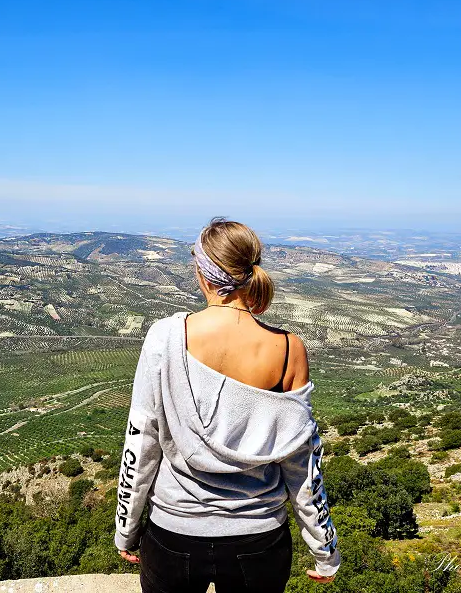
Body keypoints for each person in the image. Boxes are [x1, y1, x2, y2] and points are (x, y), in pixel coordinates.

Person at [113, 218, 339, 593]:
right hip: (259, 538)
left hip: (174, 532)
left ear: (202, 272)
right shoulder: (288, 350)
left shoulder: (165, 338)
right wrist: (323, 548)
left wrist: (127, 528)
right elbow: (302, 462)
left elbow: (141, 442)